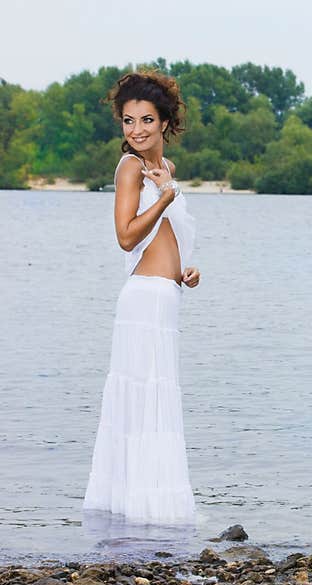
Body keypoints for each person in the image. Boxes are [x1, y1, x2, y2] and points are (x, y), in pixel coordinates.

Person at [83, 70, 200, 524]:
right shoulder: (130, 168)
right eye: (128, 121)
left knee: (156, 403)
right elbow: (126, 237)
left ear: (166, 123)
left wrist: (186, 270)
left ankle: (145, 510)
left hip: (165, 296)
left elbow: (167, 239)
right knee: (144, 401)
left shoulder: (165, 169)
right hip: (142, 301)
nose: (136, 130)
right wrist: (164, 199)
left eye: (146, 120)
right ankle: (142, 511)